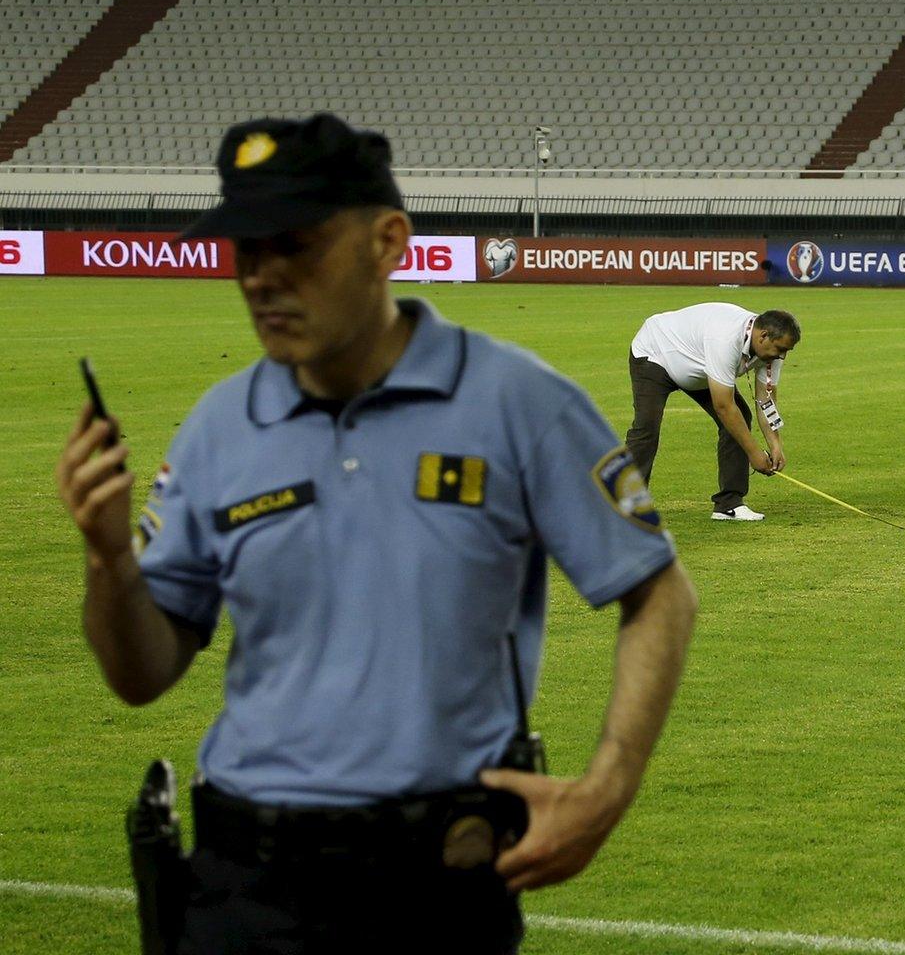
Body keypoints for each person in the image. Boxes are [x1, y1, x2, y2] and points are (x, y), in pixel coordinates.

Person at [54, 114, 697, 955]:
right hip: (241, 881)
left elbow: (659, 593)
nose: (261, 277)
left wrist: (608, 787)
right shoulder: (218, 426)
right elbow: (141, 673)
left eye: (295, 244)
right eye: (246, 251)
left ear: (387, 240)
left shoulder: (517, 402)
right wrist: (108, 561)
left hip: (433, 885)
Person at [627, 303, 799, 521]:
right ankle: (626, 504)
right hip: (655, 352)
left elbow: (766, 400)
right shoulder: (726, 339)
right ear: (763, 336)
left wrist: (775, 445)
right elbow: (724, 407)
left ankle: (729, 504)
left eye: (786, 351)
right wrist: (754, 454)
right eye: (780, 350)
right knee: (647, 428)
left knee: (741, 418)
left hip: (698, 366)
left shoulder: (772, 352)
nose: (782, 357)